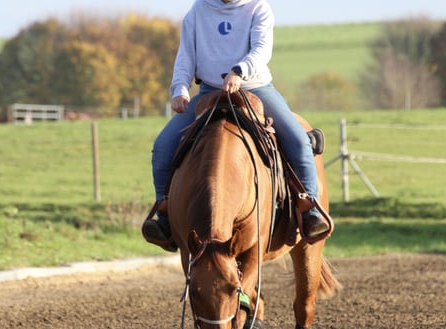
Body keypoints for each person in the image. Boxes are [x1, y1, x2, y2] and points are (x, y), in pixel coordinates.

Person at [142, 0, 331, 249]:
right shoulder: (199, 10)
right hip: (209, 90)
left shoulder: (258, 7)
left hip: (255, 87)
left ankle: (309, 209)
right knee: (163, 146)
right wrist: (180, 90)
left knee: (297, 139)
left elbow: (262, 49)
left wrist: (239, 71)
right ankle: (165, 216)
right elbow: (185, 56)